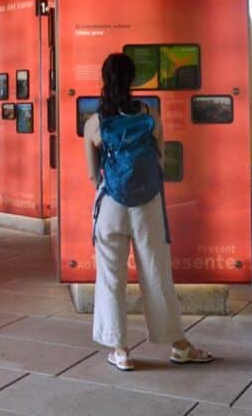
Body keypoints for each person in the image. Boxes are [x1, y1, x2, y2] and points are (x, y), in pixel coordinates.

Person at [84, 53, 212, 371]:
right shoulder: (150, 115)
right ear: (133, 80)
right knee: (156, 273)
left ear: (104, 79)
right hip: (148, 205)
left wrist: (113, 191)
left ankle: (121, 350)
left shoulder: (94, 122)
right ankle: (179, 345)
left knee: (111, 278)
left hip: (111, 206)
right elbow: (160, 159)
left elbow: (91, 175)